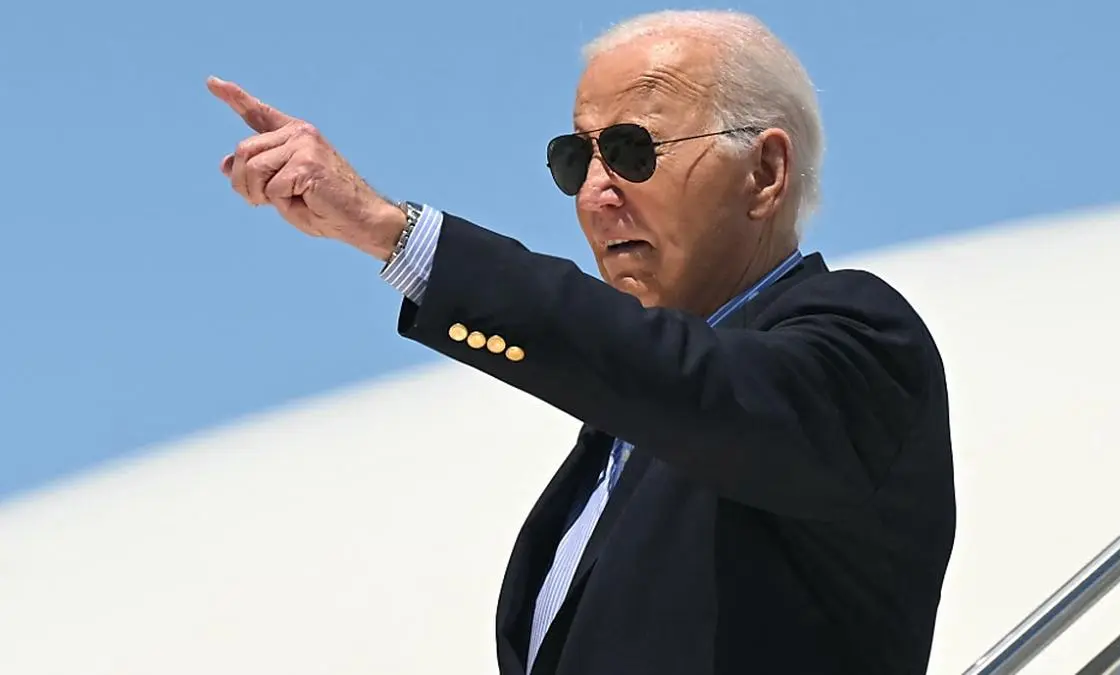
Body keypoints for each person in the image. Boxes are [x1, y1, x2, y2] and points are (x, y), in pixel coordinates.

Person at [208, 9, 955, 674]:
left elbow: (681, 380)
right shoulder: (620, 437)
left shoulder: (860, 347)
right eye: (576, 160)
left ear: (764, 172)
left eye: (633, 151)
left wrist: (391, 233)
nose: (596, 193)